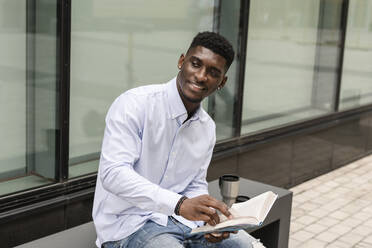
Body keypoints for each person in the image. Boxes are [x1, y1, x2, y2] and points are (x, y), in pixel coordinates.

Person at [92, 31, 265, 248]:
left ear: (222, 82)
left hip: (184, 221)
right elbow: (113, 173)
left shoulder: (206, 128)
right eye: (195, 64)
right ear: (181, 61)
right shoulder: (134, 105)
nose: (201, 76)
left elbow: (194, 183)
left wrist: (209, 220)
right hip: (128, 224)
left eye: (213, 72)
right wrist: (179, 204)